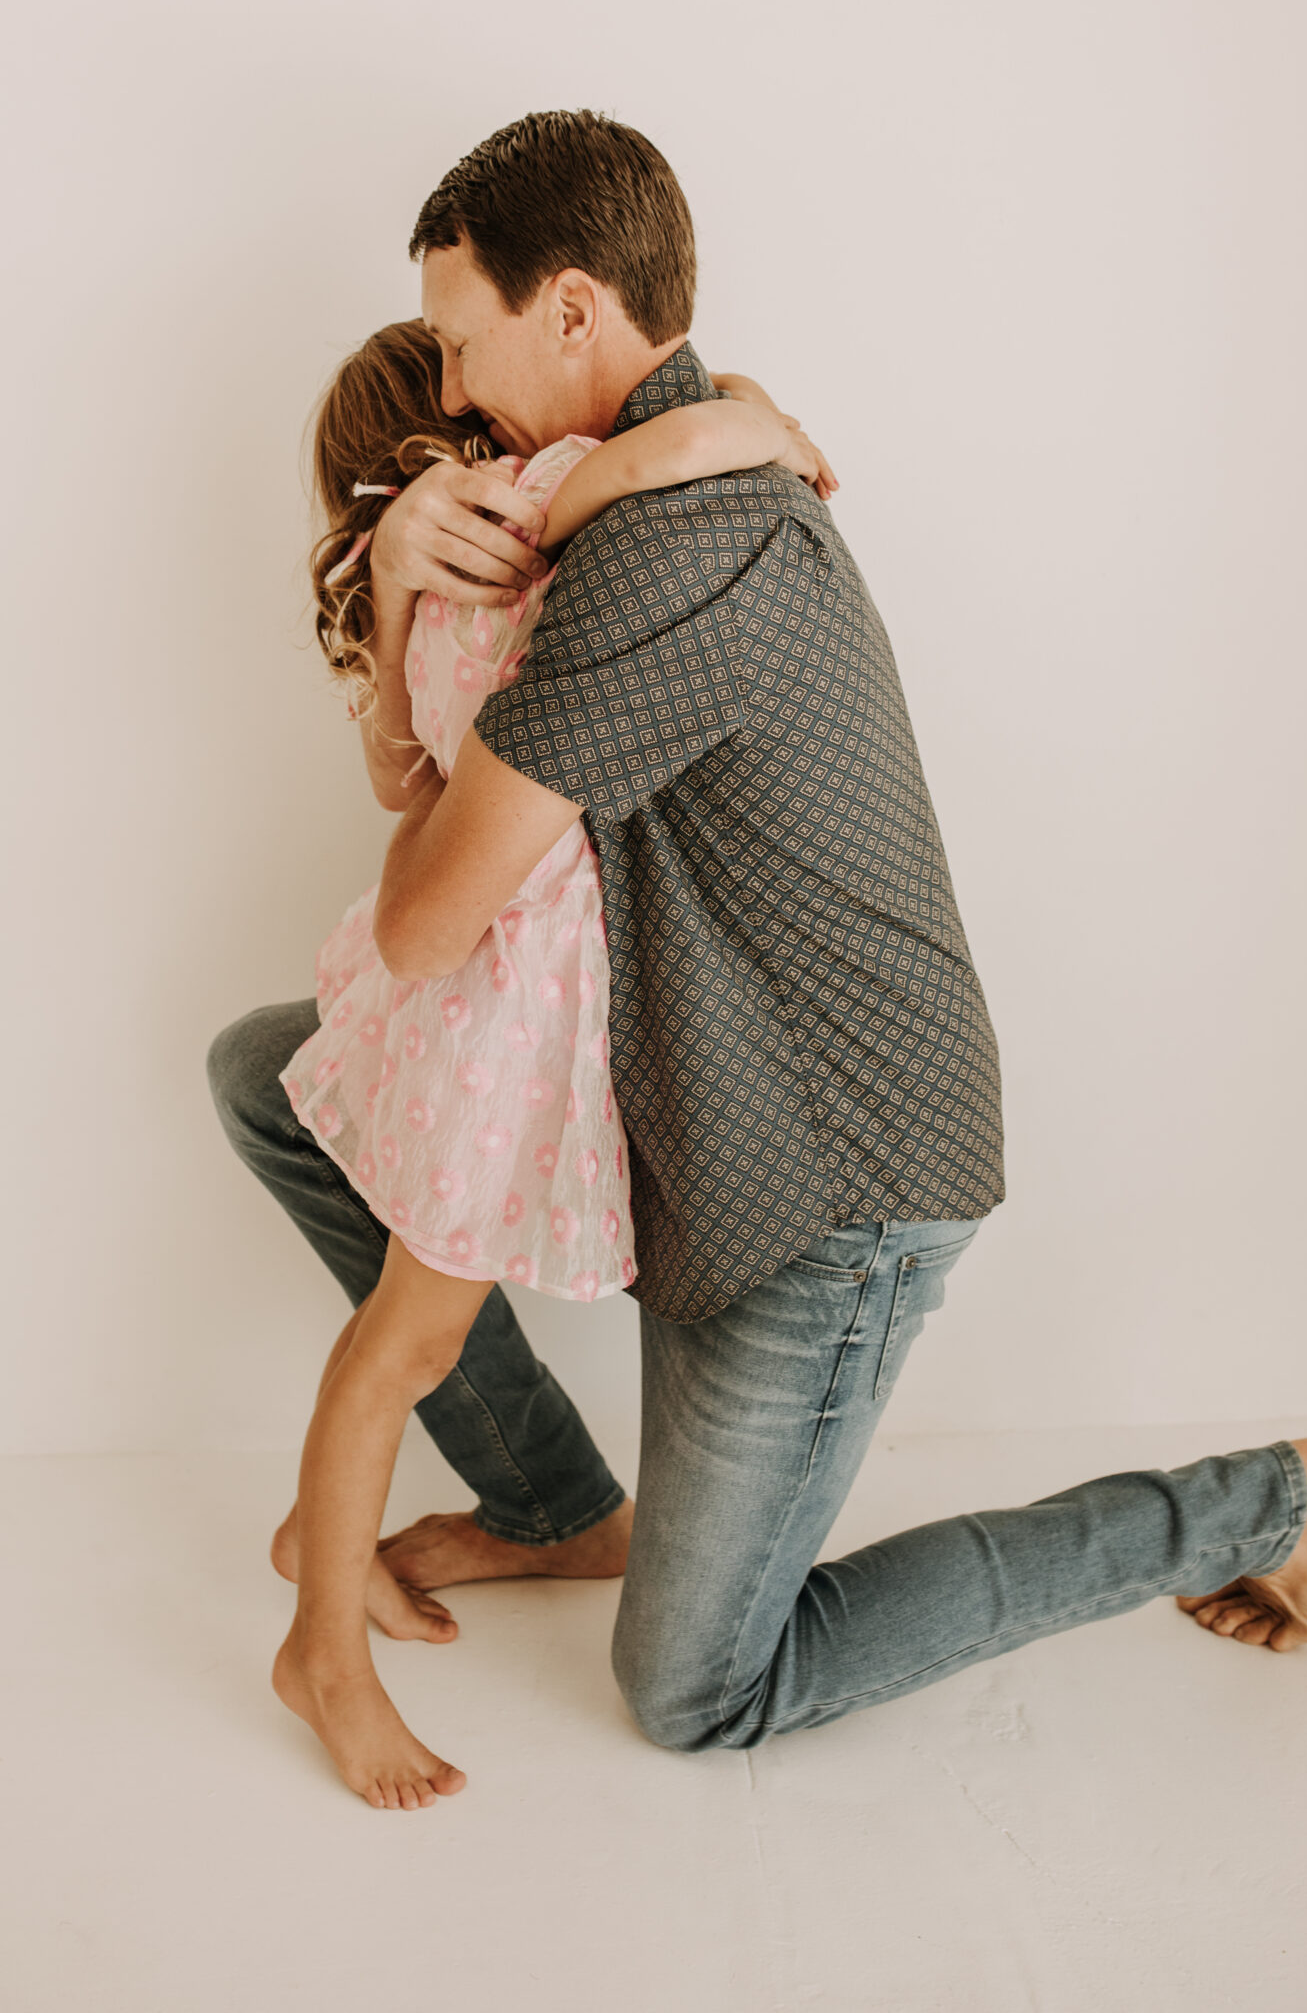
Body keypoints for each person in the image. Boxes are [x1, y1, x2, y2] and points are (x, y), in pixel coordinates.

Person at [210, 110, 1307, 1790]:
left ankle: (1267, 1501)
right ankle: (554, 1508)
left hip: (827, 1179)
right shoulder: (666, 469)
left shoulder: (672, 537)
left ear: (577, 310)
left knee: (694, 1691)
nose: (453, 391)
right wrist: (396, 574)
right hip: (704, 1086)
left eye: (466, 341)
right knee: (272, 1074)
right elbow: (670, 461)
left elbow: (428, 916)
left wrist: (402, 569)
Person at [268, 315, 835, 1807]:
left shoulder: (434, 571)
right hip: (497, 1008)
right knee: (406, 1341)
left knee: (406, 1336)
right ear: (453, 446)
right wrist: (778, 430)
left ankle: (332, 1560)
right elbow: (707, 425)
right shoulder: (533, 507)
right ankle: (323, 1644)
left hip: (479, 995)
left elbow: (403, 777)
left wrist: (387, 590)